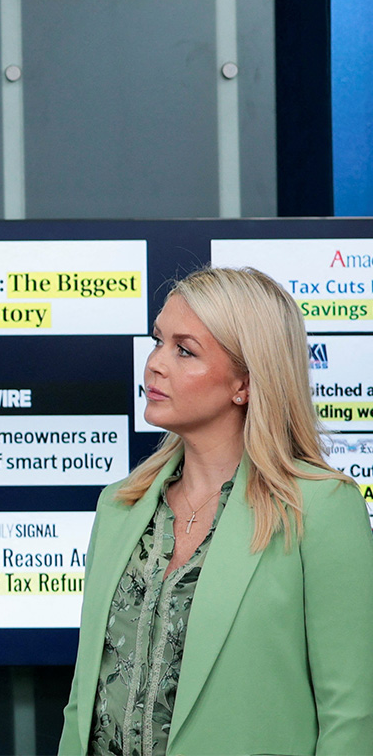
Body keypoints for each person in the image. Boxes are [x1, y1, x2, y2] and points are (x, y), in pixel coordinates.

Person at [59, 266, 373, 756]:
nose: (155, 365)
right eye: (158, 341)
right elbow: (85, 700)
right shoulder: (120, 505)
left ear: (244, 382)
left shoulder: (320, 508)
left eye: (184, 350)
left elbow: (350, 716)